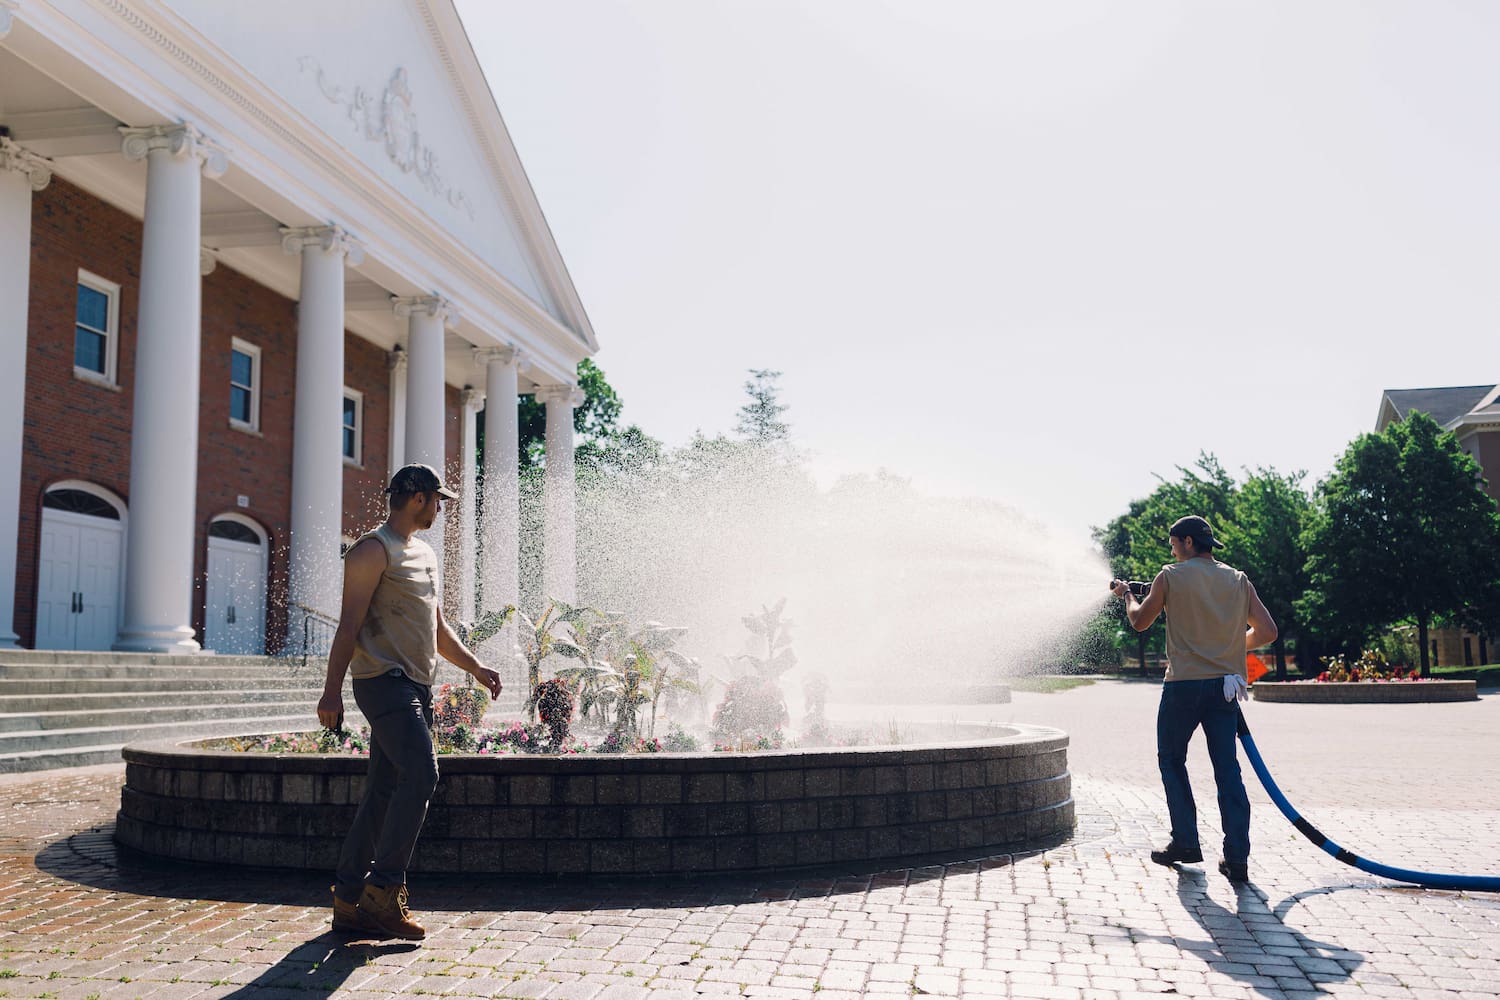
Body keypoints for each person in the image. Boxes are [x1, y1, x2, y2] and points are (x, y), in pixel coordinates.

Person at [317, 463, 502, 940]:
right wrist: (331, 690)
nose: (441, 508)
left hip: (414, 684)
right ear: (417, 497)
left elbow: (436, 629)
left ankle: (348, 898)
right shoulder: (371, 551)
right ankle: (383, 892)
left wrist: (475, 667)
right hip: (383, 682)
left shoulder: (424, 554)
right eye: (437, 499)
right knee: (423, 772)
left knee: (382, 790)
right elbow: (348, 626)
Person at [1111, 514, 1278, 884]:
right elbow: (1268, 631)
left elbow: (1139, 621)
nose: (1172, 550)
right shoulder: (1237, 579)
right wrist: (1229, 647)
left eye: (1173, 543)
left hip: (1184, 685)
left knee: (1171, 760)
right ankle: (1237, 859)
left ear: (1187, 542)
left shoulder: (1170, 575)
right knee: (1228, 771)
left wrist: (1127, 595)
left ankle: (1185, 842)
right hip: (1225, 686)